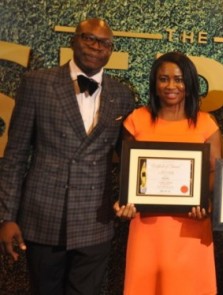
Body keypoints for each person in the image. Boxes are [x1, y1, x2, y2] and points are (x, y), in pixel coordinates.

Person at [0, 18, 135, 294]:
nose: (97, 47)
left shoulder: (122, 95)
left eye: (105, 43)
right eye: (89, 38)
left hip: (95, 222)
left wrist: (131, 197)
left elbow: (131, 160)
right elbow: (15, 155)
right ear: (74, 40)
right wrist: (7, 217)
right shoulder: (37, 83)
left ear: (111, 50)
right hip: (43, 218)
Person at [114, 51, 221, 294]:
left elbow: (215, 171)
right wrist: (125, 202)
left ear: (190, 83)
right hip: (146, 227)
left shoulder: (205, 123)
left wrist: (202, 198)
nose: (171, 86)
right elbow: (129, 172)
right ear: (154, 83)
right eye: (163, 79)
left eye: (179, 79)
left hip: (191, 225)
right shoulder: (136, 120)